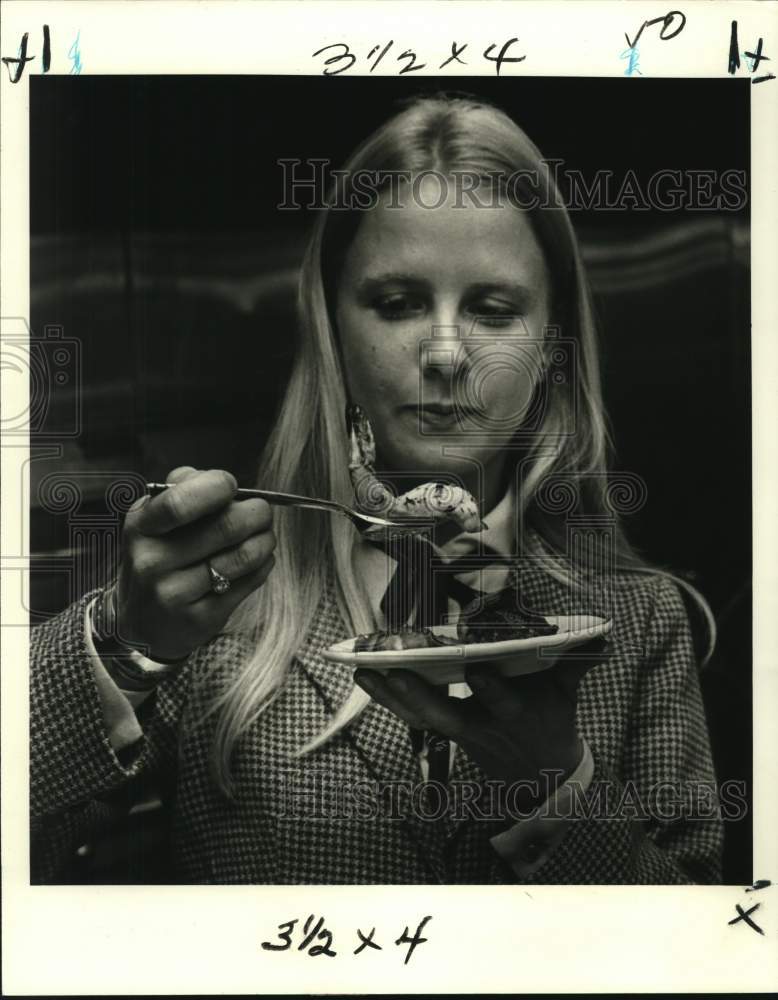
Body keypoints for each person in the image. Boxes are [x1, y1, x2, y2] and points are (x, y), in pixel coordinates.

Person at [30, 94, 723, 885]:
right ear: (332, 324)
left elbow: (698, 945)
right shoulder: (213, 602)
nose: (445, 352)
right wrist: (125, 644)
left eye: (494, 310)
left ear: (551, 342)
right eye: (397, 304)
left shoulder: (639, 625)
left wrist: (554, 787)